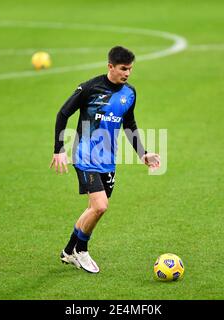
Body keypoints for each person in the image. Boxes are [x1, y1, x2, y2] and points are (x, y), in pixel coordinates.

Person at [50, 46, 161, 273]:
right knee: (100, 207)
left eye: (130, 69)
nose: (127, 73)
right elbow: (63, 113)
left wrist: (143, 154)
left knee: (94, 208)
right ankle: (81, 251)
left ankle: (68, 251)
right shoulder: (90, 88)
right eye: (123, 69)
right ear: (110, 66)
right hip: (85, 156)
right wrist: (58, 149)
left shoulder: (129, 93)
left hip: (108, 160)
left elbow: (129, 125)